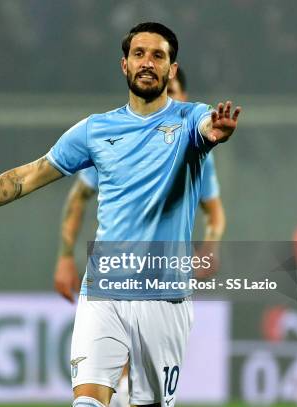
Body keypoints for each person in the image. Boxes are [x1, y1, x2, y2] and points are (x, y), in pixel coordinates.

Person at [0, 22, 241, 407]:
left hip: (164, 297)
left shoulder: (188, 119)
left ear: (171, 68)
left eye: (158, 55)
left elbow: (207, 127)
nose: (147, 62)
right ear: (124, 65)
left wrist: (217, 131)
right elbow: (28, 175)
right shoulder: (96, 130)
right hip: (104, 290)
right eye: (139, 54)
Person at [53, 68, 226, 407]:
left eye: (176, 92)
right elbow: (78, 198)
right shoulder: (115, 137)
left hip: (163, 281)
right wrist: (64, 255)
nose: (171, 97)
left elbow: (215, 213)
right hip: (111, 276)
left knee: (144, 392)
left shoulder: (197, 146)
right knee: (95, 390)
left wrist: (210, 247)